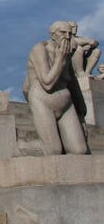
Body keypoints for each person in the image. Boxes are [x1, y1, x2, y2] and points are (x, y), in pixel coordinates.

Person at [23, 21, 88, 155]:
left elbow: (73, 83)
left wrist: (81, 112)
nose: (67, 36)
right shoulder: (40, 49)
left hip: (65, 102)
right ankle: (21, 147)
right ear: (53, 35)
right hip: (43, 100)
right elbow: (47, 83)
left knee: (79, 151)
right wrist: (60, 59)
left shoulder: (66, 53)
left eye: (70, 33)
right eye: (62, 32)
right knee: (53, 150)